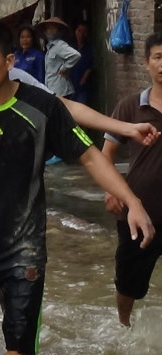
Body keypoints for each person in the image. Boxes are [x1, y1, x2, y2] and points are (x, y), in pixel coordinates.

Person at [0, 17, 154, 355]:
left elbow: (89, 156)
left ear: (9, 63)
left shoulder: (42, 108)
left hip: (25, 250)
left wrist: (132, 202)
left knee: (20, 347)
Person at [102, 32, 162, 328]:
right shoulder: (129, 107)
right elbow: (105, 155)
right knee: (128, 280)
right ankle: (123, 327)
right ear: (147, 63)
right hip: (140, 210)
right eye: (158, 57)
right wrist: (111, 191)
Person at [37, 17, 80, 98]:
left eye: (53, 28)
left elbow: (75, 55)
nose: (50, 31)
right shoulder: (50, 47)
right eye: (48, 29)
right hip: (53, 88)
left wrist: (63, 68)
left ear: (59, 31)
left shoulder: (60, 45)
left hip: (61, 90)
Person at [70, 22, 93, 104]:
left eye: (84, 31)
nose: (81, 34)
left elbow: (89, 67)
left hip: (82, 87)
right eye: (79, 30)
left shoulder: (88, 48)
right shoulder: (70, 47)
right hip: (70, 85)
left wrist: (83, 81)